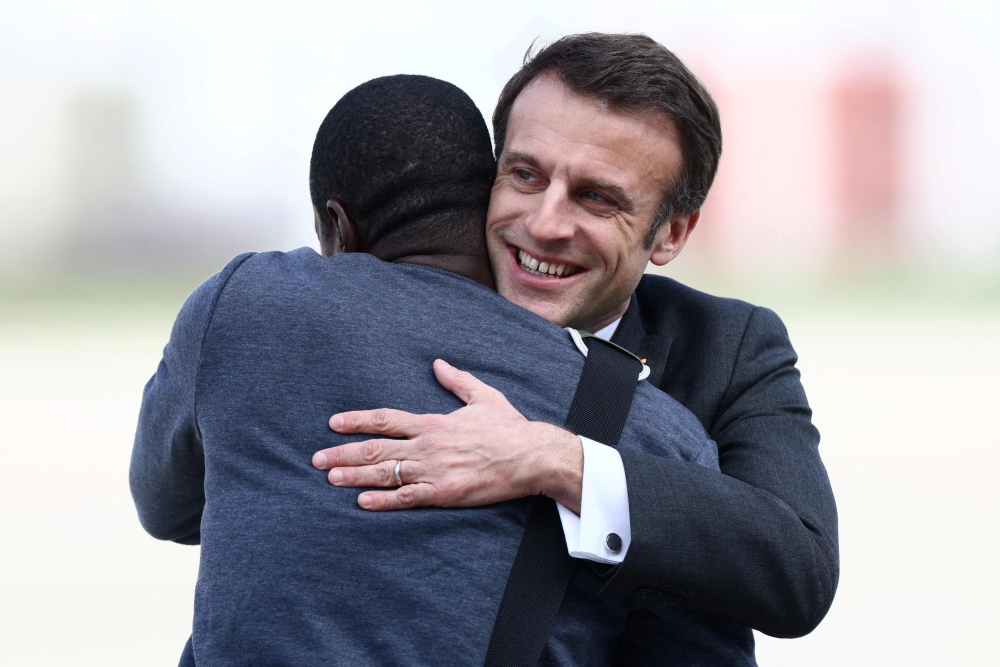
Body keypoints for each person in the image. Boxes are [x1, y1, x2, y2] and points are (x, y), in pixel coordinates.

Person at [130, 75, 726, 666]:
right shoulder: (655, 434)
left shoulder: (244, 303)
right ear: (487, 197)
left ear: (341, 229)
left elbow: (168, 508)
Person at [312, 33, 839, 645]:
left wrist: (553, 462)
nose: (544, 224)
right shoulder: (375, 318)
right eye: (526, 175)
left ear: (671, 233)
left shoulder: (728, 347)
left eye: (595, 197)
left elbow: (798, 571)